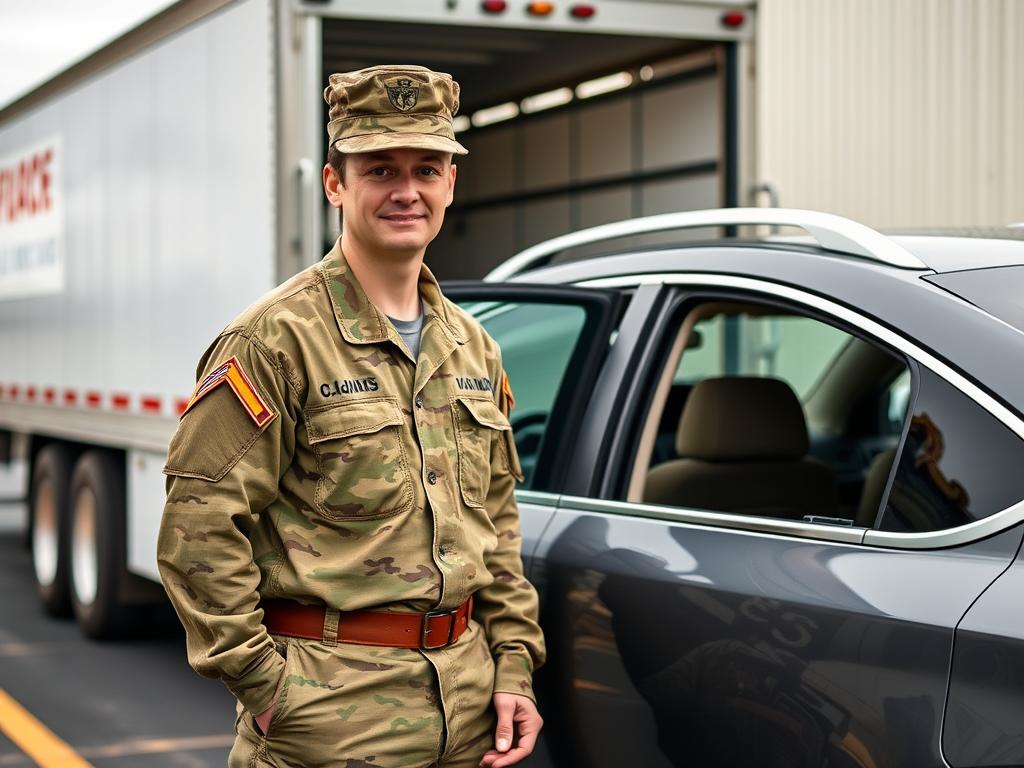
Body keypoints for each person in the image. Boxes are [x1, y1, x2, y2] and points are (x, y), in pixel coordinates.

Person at [156, 64, 545, 768]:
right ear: (336, 183)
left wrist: (513, 669)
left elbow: (497, 529)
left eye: (427, 168)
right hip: (328, 722)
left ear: (451, 184)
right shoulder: (274, 339)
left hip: (467, 713)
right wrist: (269, 691)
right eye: (379, 169)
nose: (406, 190)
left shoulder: (475, 347)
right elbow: (199, 527)